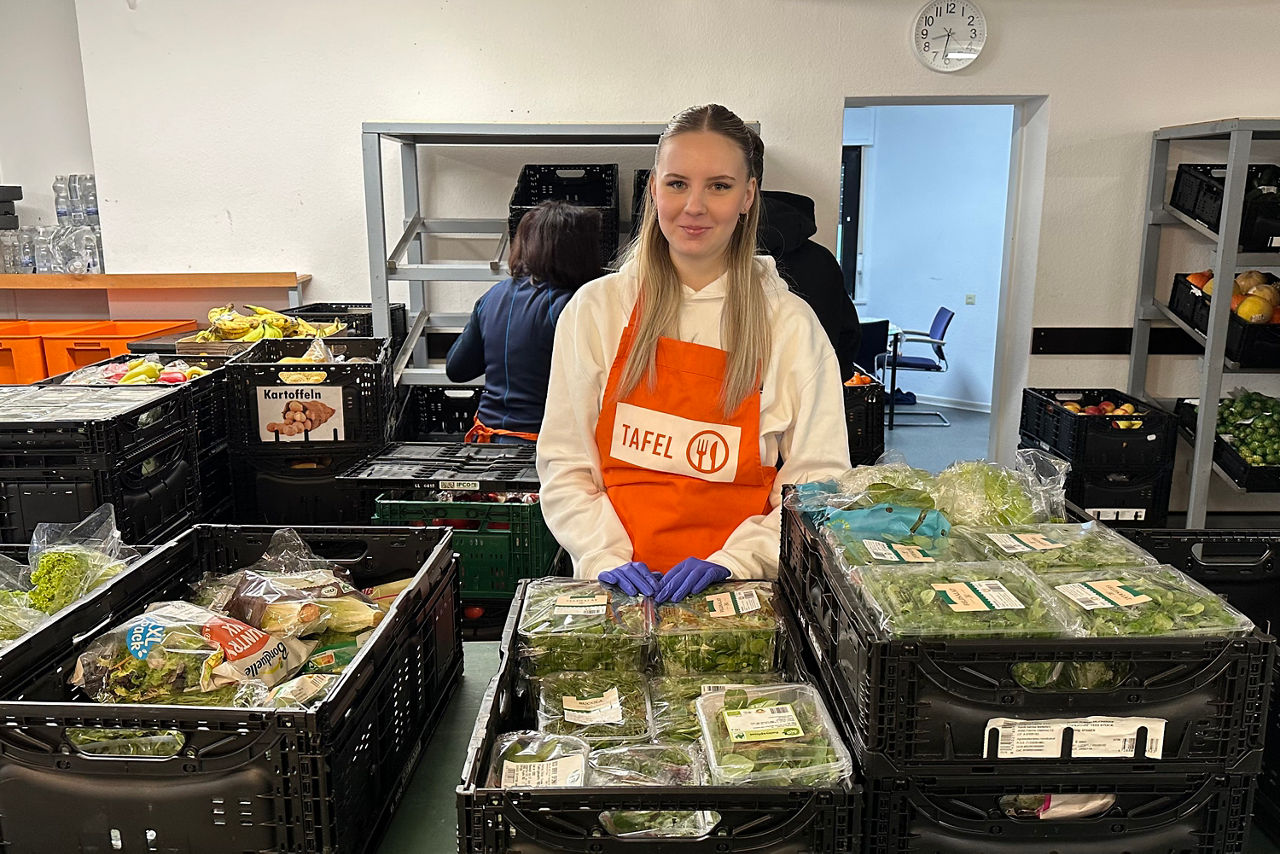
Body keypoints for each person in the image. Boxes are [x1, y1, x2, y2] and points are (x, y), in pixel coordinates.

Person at [537, 104, 850, 604]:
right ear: (654, 190)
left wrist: (736, 562)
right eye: (678, 183)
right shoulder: (596, 311)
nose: (695, 206)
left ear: (748, 196)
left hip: (742, 603)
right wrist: (607, 557)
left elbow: (817, 482)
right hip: (614, 597)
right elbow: (566, 465)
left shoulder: (789, 323)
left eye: (719, 186)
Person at [445, 200, 603, 444]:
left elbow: (457, 369)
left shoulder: (492, 297)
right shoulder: (573, 305)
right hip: (544, 448)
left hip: (485, 443)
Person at [758, 189, 861, 382]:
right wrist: (834, 378)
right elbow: (849, 331)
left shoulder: (733, 257)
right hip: (815, 380)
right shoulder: (823, 259)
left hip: (748, 389)